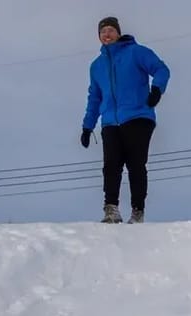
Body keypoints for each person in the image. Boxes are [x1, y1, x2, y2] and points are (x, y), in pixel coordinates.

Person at [80, 16, 170, 224]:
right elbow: (95, 97)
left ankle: (137, 211)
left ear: (118, 33)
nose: (107, 34)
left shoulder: (136, 52)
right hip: (110, 121)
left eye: (111, 30)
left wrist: (157, 88)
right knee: (111, 165)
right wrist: (87, 126)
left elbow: (161, 69)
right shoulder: (96, 66)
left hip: (138, 116)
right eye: (103, 32)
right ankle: (111, 209)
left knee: (135, 164)